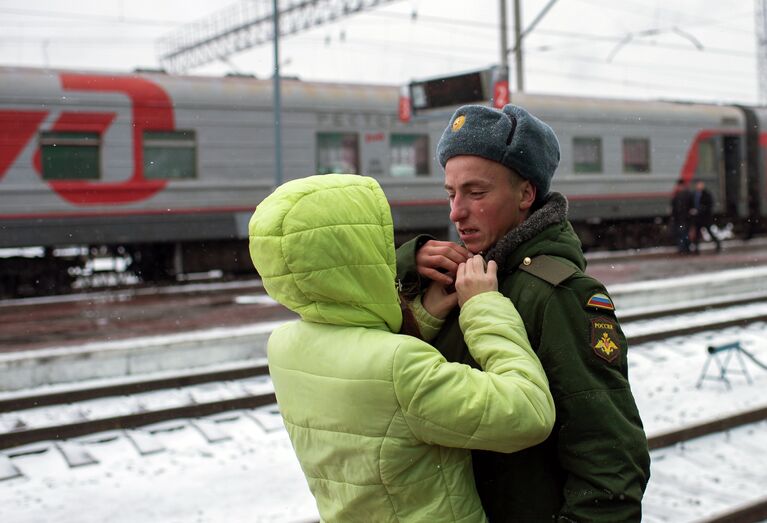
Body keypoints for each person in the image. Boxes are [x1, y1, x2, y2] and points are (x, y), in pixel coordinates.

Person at [249, 173, 556, 522]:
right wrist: (483, 306)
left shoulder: (285, 346)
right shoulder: (400, 365)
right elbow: (529, 412)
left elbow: (371, 390)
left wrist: (421, 317)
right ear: (356, 254)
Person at [396, 104, 651, 522]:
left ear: (525, 194)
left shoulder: (559, 296)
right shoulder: (455, 279)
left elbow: (610, 464)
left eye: (476, 194)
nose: (456, 212)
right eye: (450, 193)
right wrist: (408, 265)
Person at [690, 179, 722, 253]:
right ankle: (696, 249)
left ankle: (717, 244)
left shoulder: (706, 194)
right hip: (698, 218)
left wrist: (700, 210)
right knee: (697, 235)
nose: (699, 186)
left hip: (705, 218)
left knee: (709, 232)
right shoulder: (694, 194)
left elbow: (709, 205)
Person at [670, 178, 693, 254]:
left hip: (682, 219)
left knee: (682, 234)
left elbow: (676, 208)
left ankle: (683, 249)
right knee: (683, 234)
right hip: (683, 218)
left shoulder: (680, 195)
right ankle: (685, 249)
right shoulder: (687, 194)